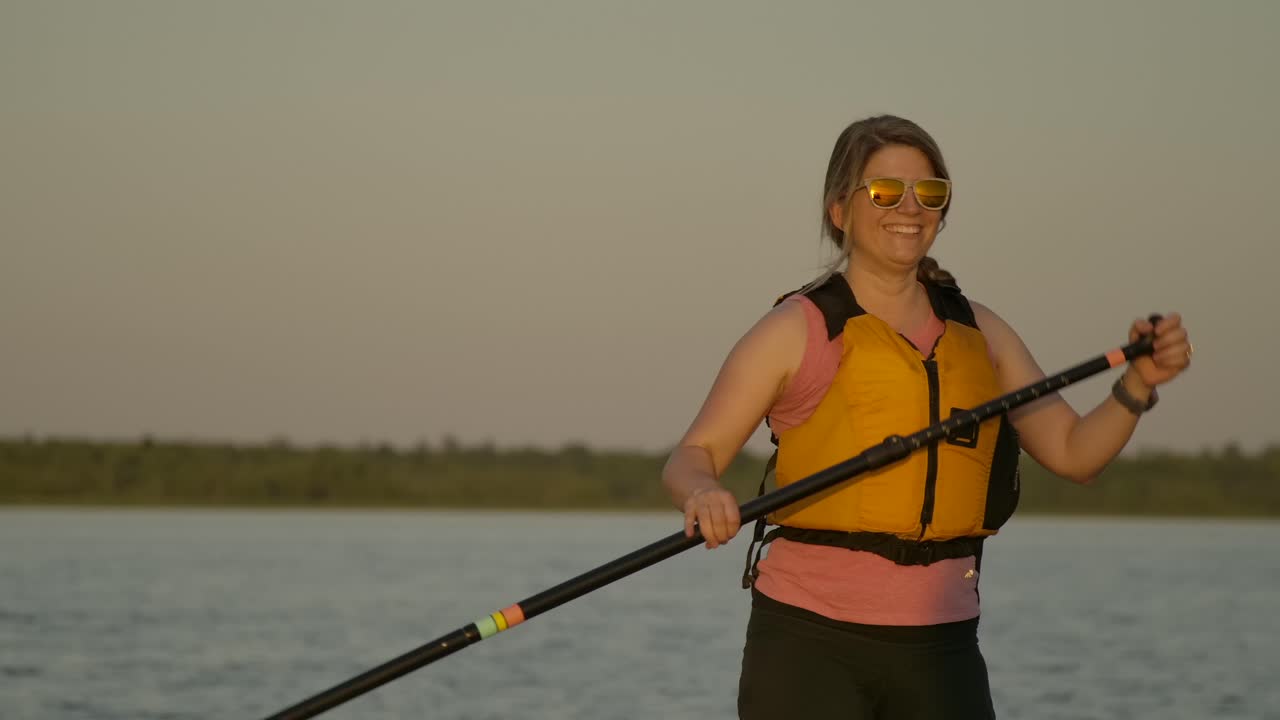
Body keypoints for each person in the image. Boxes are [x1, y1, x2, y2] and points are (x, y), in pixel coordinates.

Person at [661, 114, 1192, 719]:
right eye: (886, 190)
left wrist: (1137, 384)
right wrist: (702, 492)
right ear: (840, 211)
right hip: (809, 641)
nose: (909, 207)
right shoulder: (796, 331)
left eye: (929, 191)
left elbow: (1076, 453)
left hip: (943, 646)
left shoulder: (982, 333)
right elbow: (691, 456)